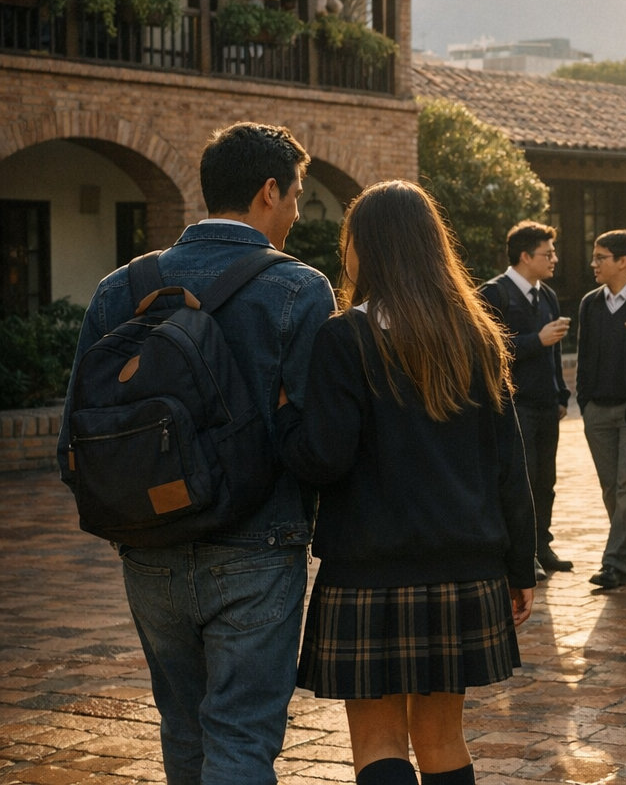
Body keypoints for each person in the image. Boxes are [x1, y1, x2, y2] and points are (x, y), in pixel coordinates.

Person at [57, 123, 335, 785]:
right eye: (296, 195)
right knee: (239, 736)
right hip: (257, 544)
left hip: (147, 545)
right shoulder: (300, 289)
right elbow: (316, 436)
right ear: (270, 191)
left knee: (184, 729)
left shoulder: (119, 288)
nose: (296, 212)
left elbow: (78, 431)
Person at [275, 181, 537, 785]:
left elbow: (323, 459)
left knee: (377, 741)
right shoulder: (475, 335)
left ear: (365, 248)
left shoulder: (346, 337)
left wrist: (288, 416)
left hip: (369, 571)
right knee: (445, 741)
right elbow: (508, 467)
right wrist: (519, 568)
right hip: (464, 568)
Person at [480, 221, 572, 580]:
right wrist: (537, 340)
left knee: (545, 481)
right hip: (512, 406)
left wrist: (561, 393)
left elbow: (556, 349)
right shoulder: (494, 294)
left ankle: (542, 546)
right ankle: (521, 554)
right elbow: (486, 350)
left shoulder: (546, 294)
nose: (554, 259)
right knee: (520, 481)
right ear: (524, 256)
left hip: (546, 405)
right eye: (547, 253)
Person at [576, 229, 626, 590]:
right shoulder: (590, 302)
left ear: (623, 261)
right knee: (612, 490)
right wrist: (584, 401)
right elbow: (583, 356)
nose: (594, 264)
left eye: (600, 257)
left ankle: (614, 564)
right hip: (597, 411)